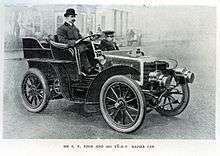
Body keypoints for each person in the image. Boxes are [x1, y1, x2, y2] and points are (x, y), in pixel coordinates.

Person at [56, 8, 98, 74]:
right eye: (72, 16)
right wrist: (74, 42)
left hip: (77, 46)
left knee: (91, 46)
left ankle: (93, 66)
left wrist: (89, 39)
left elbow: (80, 37)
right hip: (68, 49)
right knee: (82, 48)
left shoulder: (75, 28)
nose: (74, 18)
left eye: (74, 16)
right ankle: (88, 68)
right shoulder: (61, 29)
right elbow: (62, 40)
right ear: (66, 17)